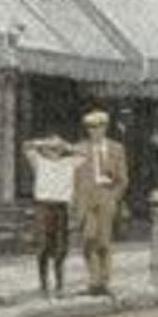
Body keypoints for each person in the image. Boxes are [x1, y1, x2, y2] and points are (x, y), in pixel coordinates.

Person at [70, 110, 129, 297]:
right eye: (91, 127)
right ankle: (93, 279)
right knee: (88, 239)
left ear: (105, 127)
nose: (95, 131)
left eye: (99, 126)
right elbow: (71, 177)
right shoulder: (79, 149)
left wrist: (114, 197)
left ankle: (104, 281)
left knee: (104, 240)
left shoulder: (116, 149)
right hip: (85, 197)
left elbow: (123, 179)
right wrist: (74, 199)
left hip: (106, 195)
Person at [21, 129, 77, 298]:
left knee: (61, 247)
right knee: (43, 245)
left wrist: (64, 144)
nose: (54, 152)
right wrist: (45, 143)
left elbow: (84, 154)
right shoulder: (39, 161)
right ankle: (43, 284)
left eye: (57, 149)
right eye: (51, 149)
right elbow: (26, 146)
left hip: (61, 206)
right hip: (44, 206)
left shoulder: (69, 162)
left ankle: (60, 284)